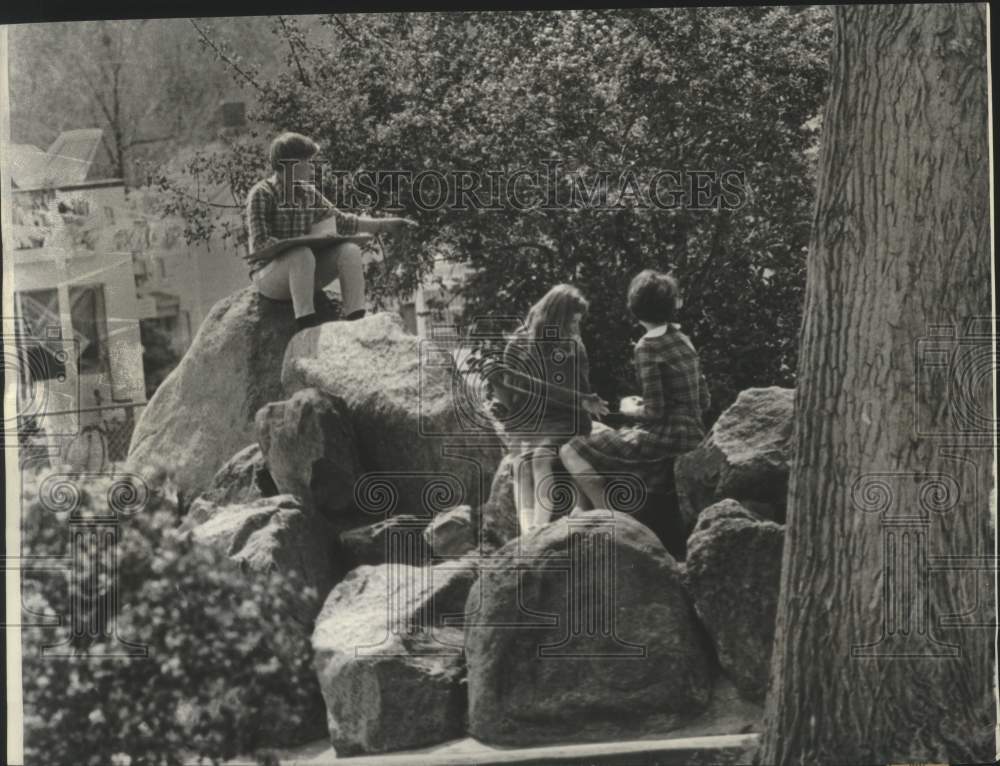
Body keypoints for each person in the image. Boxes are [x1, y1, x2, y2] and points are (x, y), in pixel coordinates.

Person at [559, 270, 709, 544]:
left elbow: (655, 413)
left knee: (571, 448)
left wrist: (630, 407)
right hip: (692, 433)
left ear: (635, 307)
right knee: (594, 431)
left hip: (667, 439)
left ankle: (611, 523)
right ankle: (580, 516)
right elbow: (704, 400)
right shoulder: (682, 338)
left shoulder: (647, 346)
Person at [245, 132, 417, 330]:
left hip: (303, 272)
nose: (312, 166)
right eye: (307, 161)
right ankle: (307, 326)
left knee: (349, 250)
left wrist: (386, 224)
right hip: (270, 278)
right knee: (301, 254)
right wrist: (306, 240)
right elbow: (260, 245)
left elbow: (343, 221)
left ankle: (356, 321)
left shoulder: (308, 193)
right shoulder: (261, 193)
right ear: (291, 163)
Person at [493, 285, 609, 534]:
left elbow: (582, 391)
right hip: (533, 421)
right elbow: (510, 394)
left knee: (540, 457)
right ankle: (530, 532)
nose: (575, 330)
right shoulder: (519, 344)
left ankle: (539, 527)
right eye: (571, 323)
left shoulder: (572, 346)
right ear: (555, 318)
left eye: (576, 324)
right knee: (523, 463)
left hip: (565, 420)